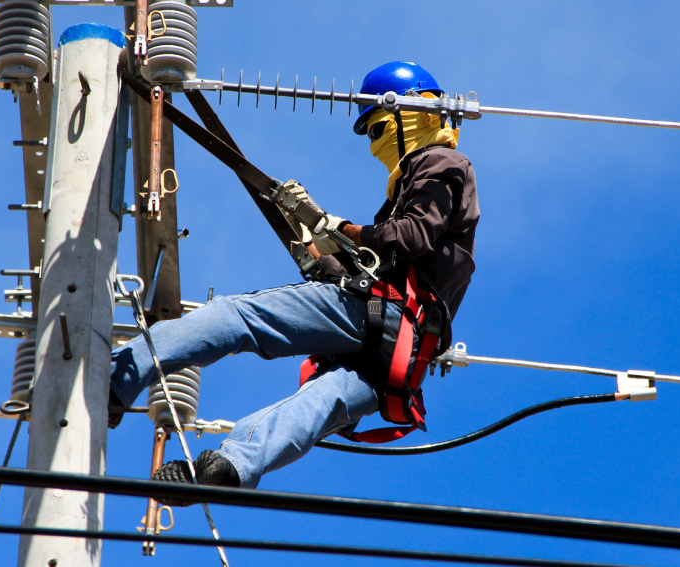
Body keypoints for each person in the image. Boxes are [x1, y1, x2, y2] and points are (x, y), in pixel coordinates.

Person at [108, 61, 480, 495]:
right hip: (403, 353)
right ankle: (230, 467)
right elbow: (400, 263)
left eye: (378, 129)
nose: (375, 145)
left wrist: (341, 230)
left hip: (383, 313)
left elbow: (410, 236)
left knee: (239, 318)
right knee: (317, 405)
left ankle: (114, 378)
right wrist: (325, 254)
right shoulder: (430, 188)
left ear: (411, 112)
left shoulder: (441, 161)